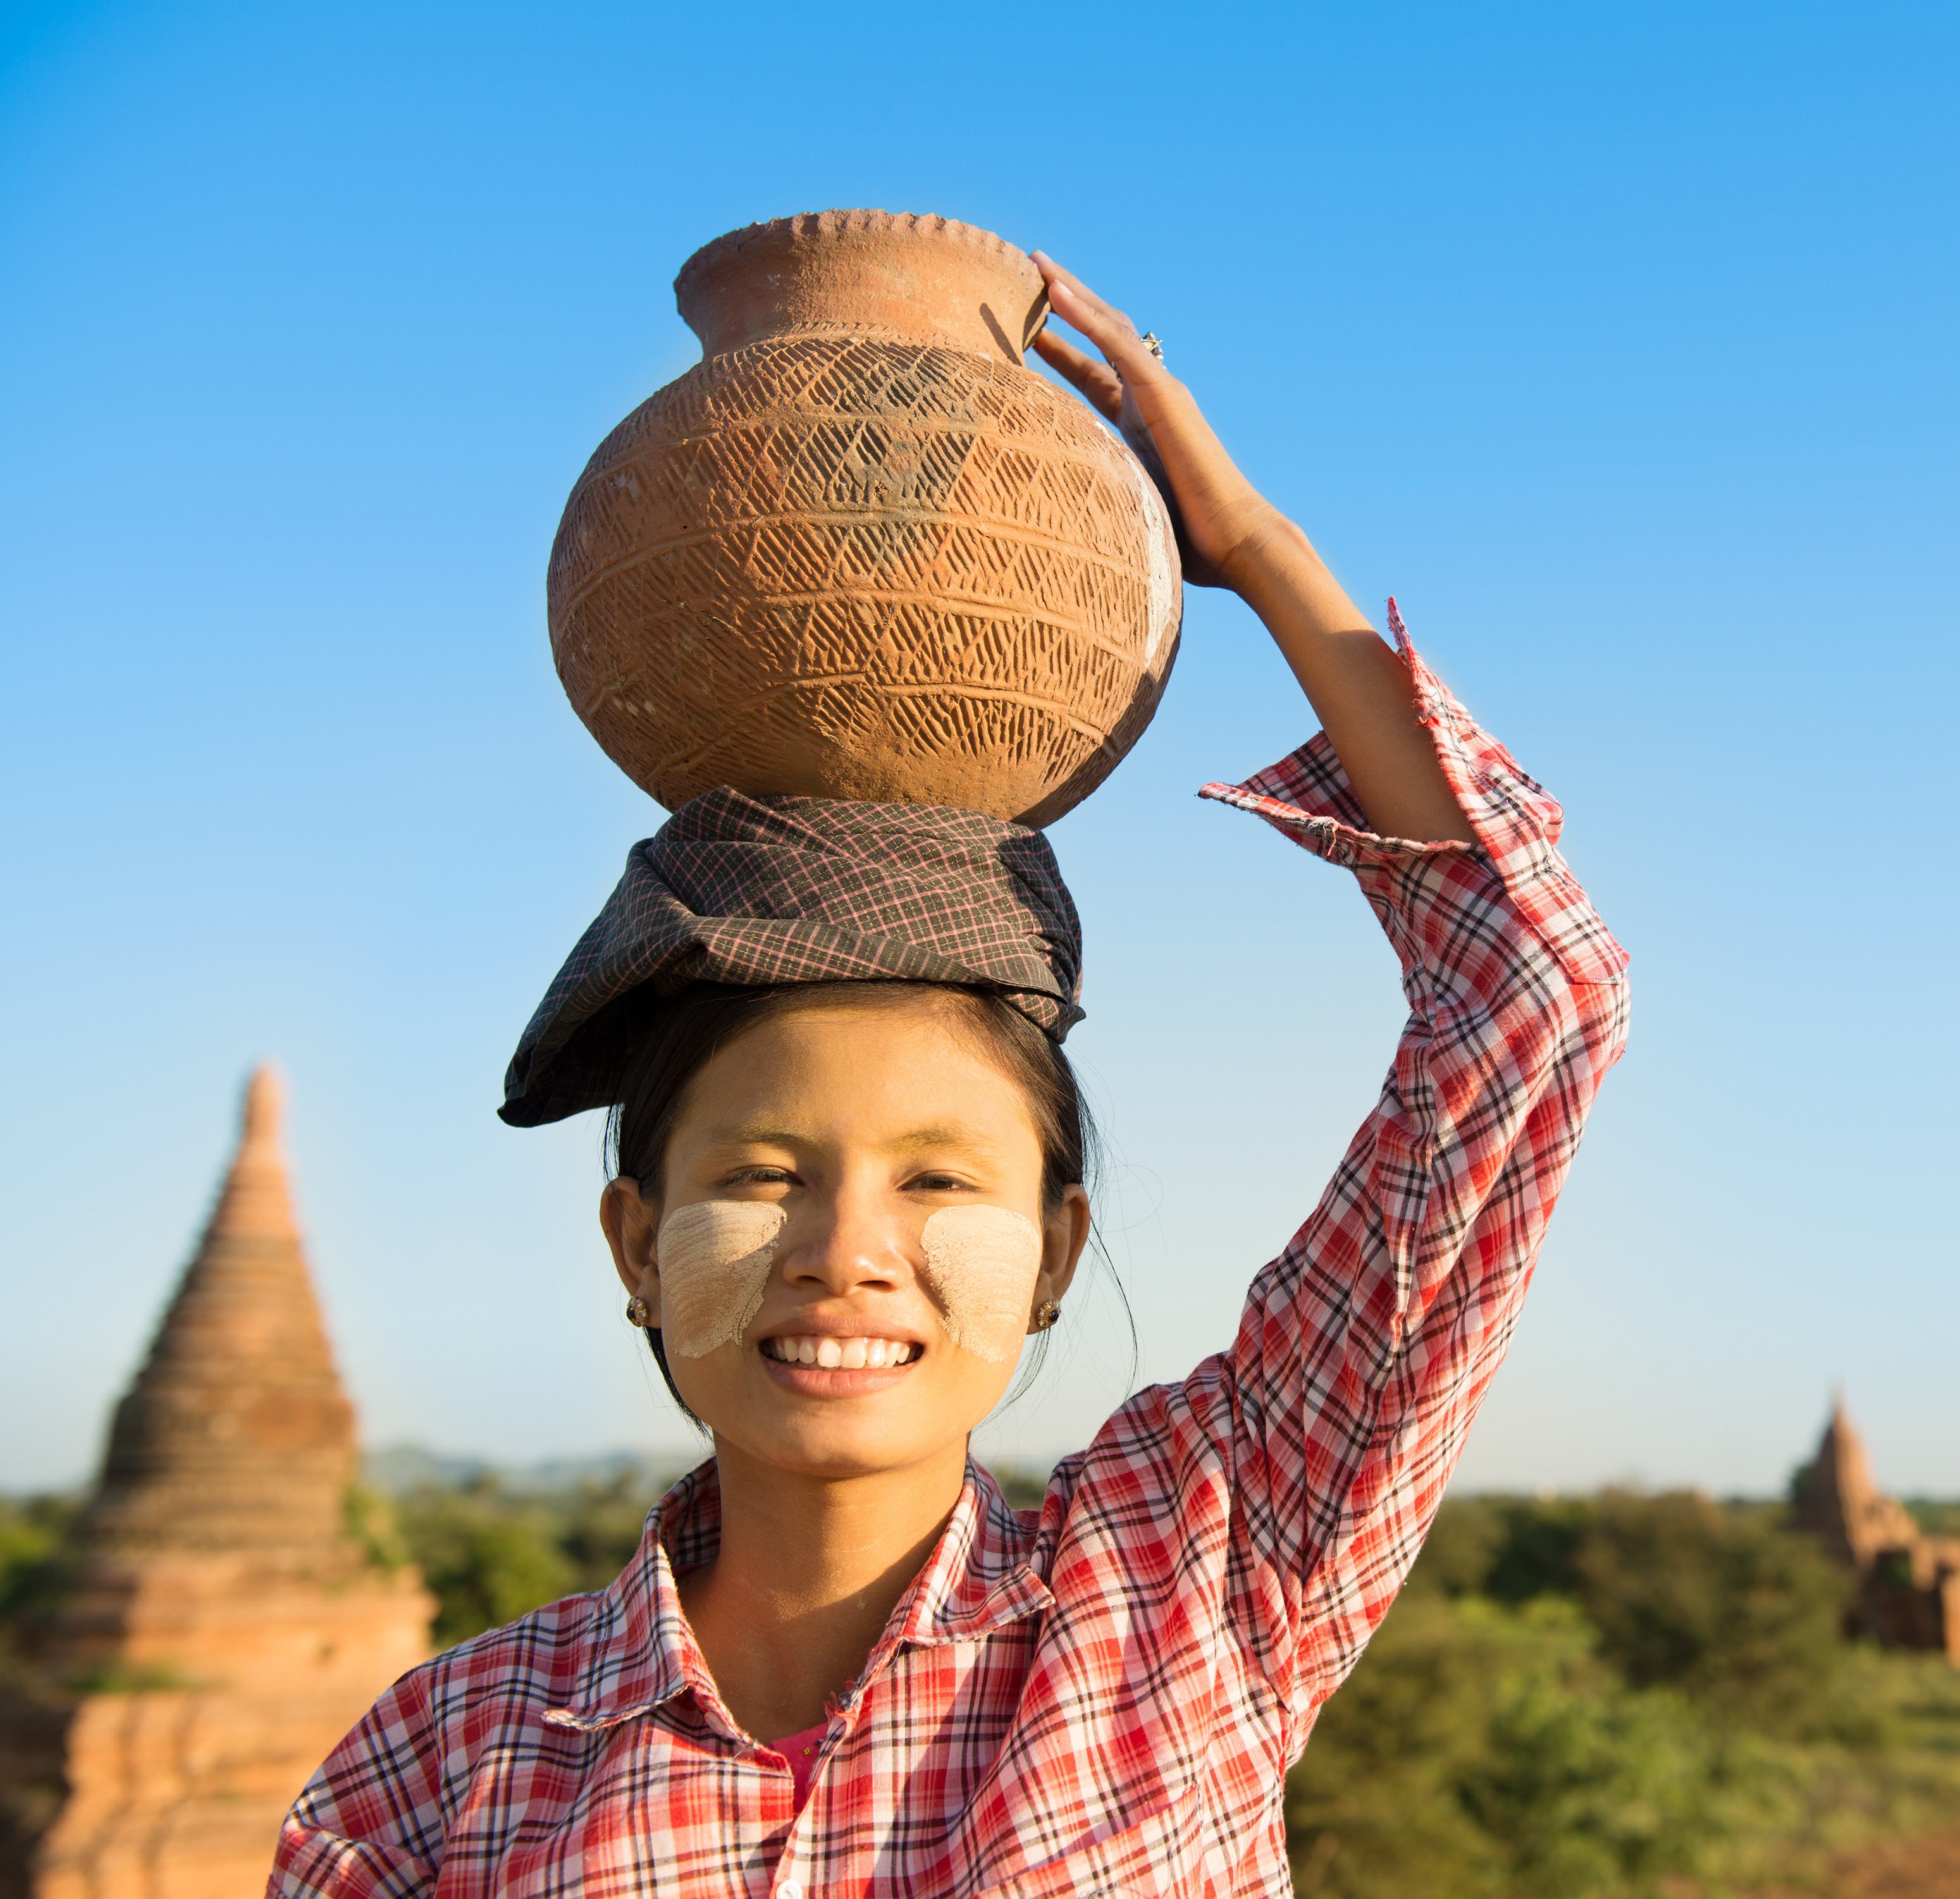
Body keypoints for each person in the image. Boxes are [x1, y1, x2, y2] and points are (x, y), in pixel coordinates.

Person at [273, 257, 1629, 1898]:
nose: (846, 1250)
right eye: (763, 1175)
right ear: (636, 1243)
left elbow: (1535, 996)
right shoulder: (442, 1764)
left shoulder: (1195, 1578)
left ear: (1056, 1247)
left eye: (938, 1177)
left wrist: (1257, 552)